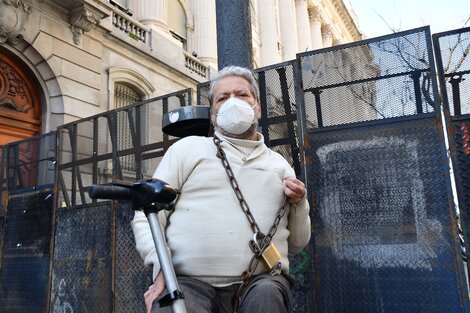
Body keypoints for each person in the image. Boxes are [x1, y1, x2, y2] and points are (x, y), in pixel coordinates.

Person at [131, 65, 311, 313]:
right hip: (189, 282)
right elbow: (147, 213)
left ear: (257, 106)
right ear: (213, 113)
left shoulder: (279, 165)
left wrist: (299, 204)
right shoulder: (187, 150)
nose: (233, 102)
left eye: (242, 95)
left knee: (267, 295)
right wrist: (160, 265)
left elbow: (300, 242)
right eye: (223, 98)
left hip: (258, 284)